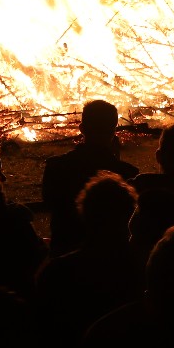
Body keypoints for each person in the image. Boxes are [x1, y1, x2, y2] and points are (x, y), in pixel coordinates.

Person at [40, 100, 138, 257]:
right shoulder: (127, 174)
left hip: (65, 253)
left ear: (82, 129)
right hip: (111, 258)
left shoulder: (56, 167)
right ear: (114, 131)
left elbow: (50, 204)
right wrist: (115, 161)